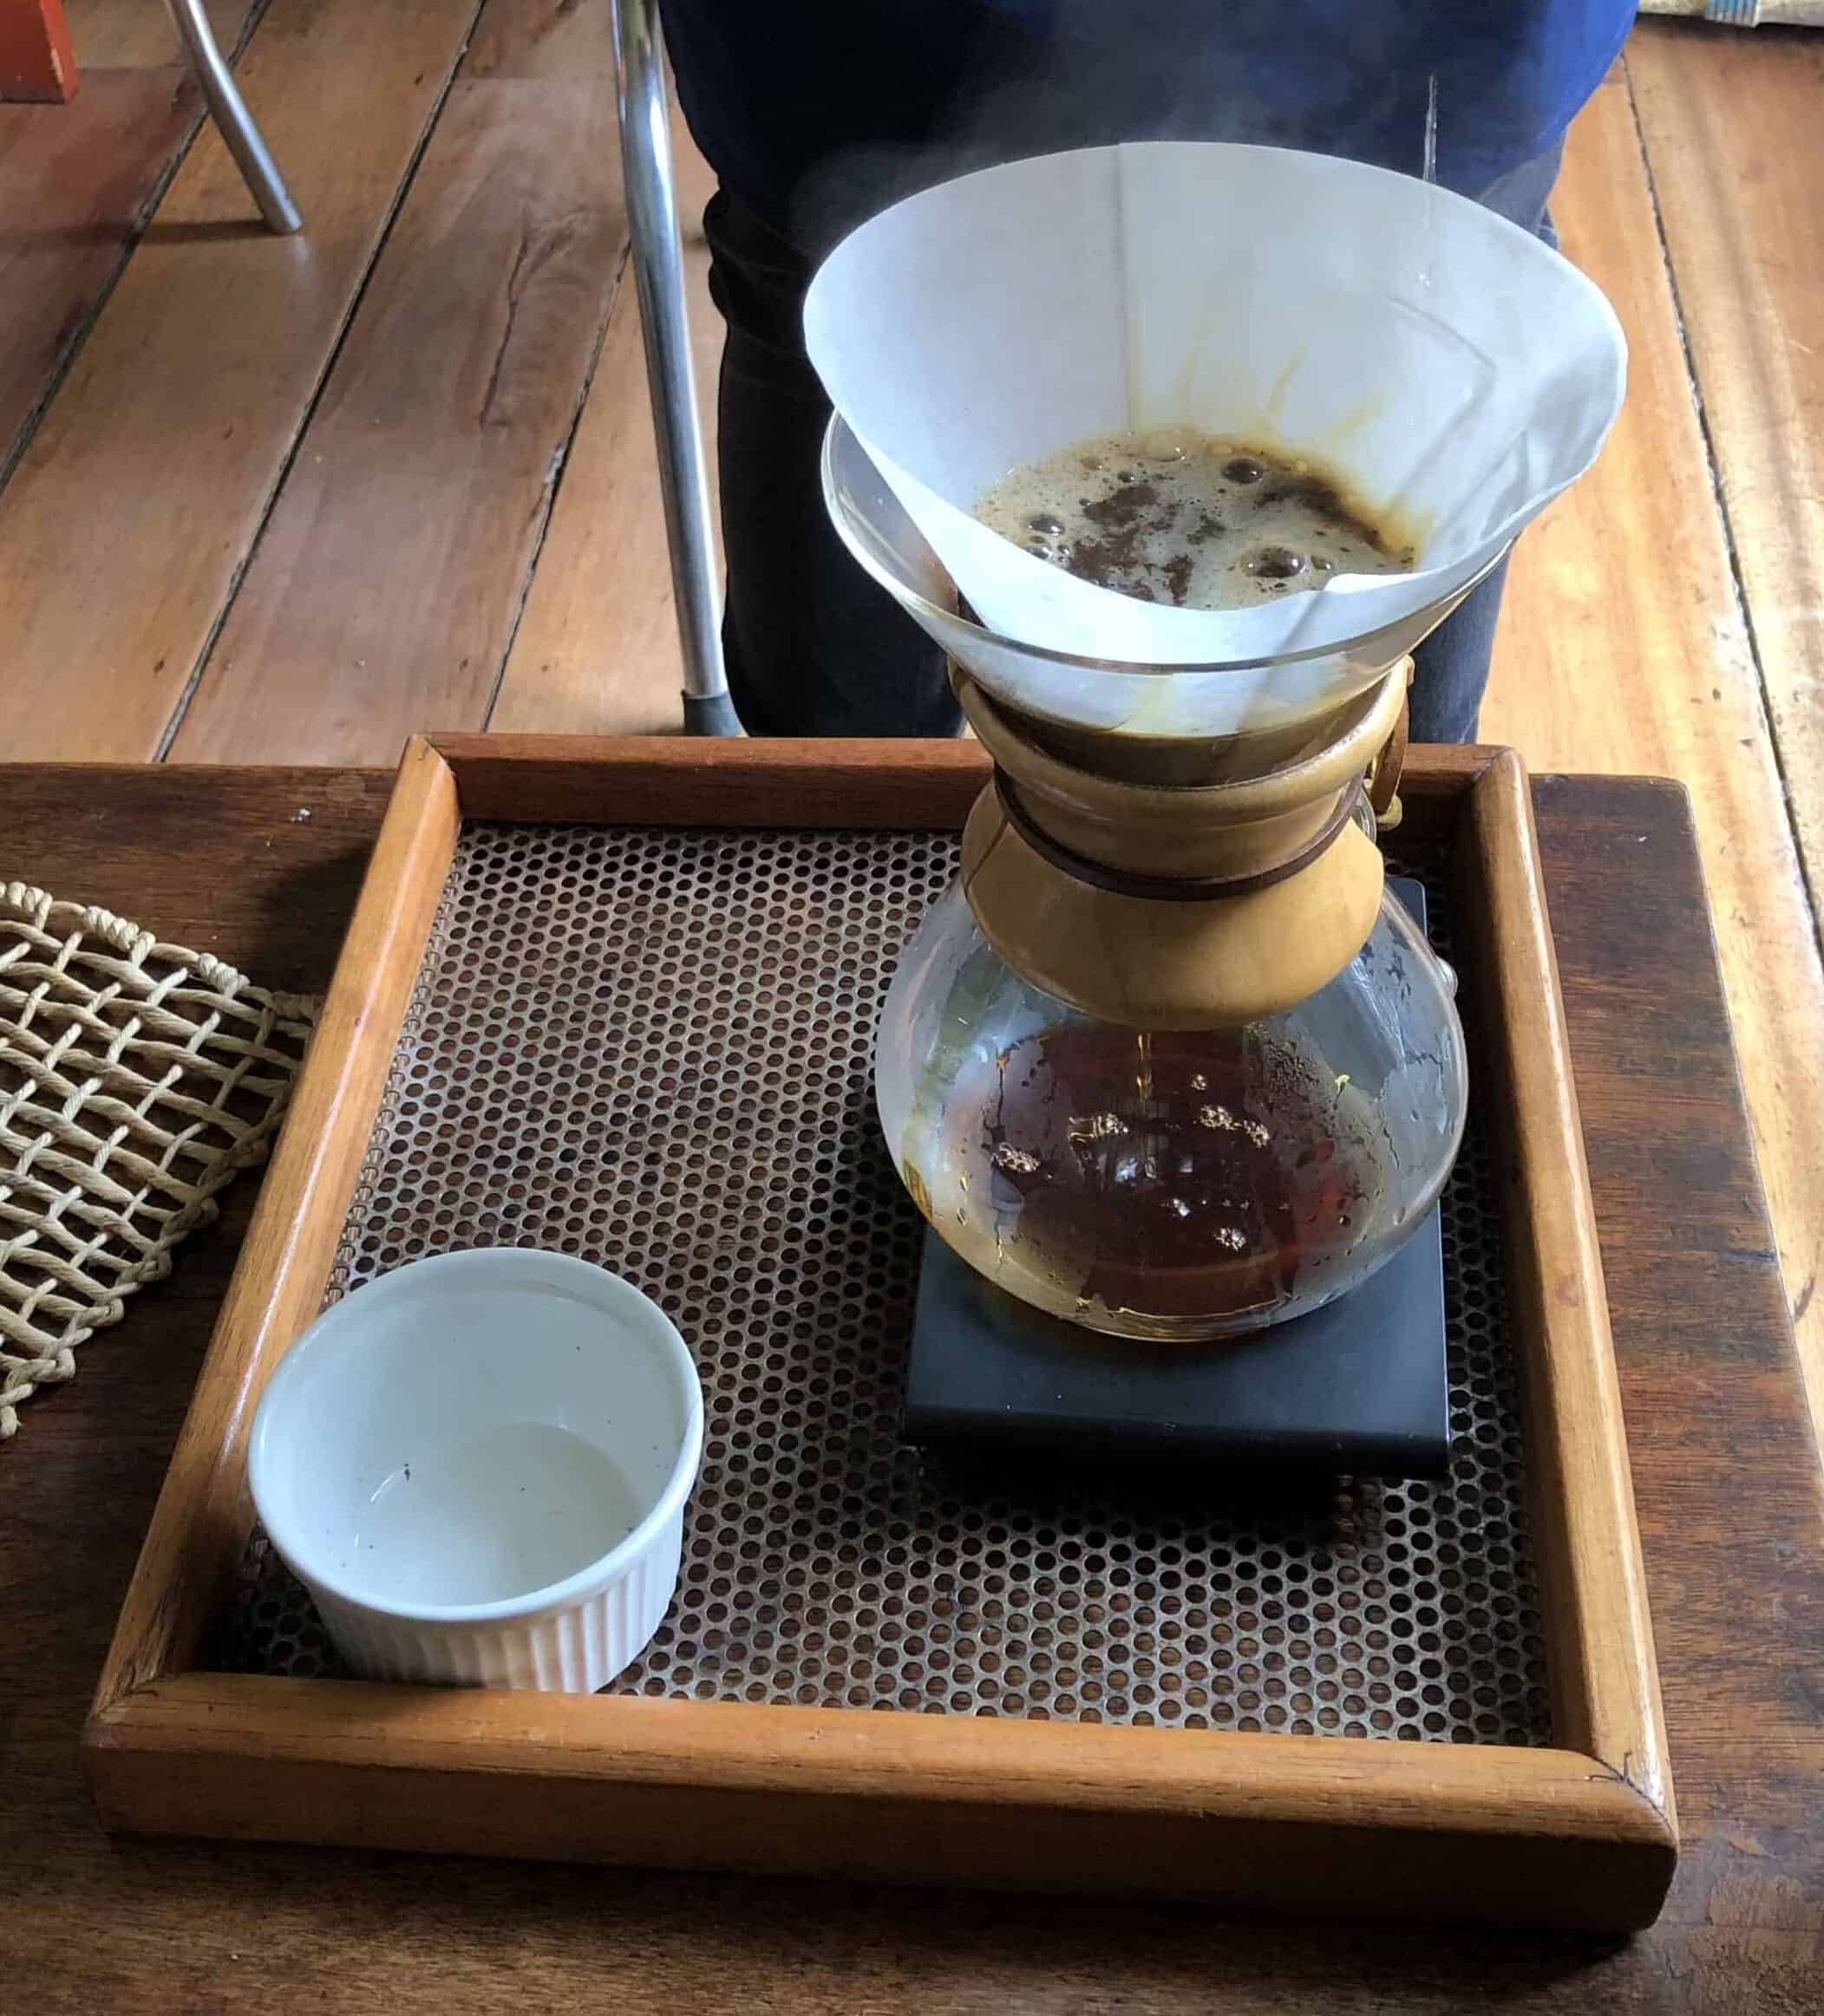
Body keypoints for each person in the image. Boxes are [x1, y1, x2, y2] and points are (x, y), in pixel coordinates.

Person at [659, 2, 1636, 741]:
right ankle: (846, 889)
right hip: (880, 61)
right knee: (841, 795)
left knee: (1384, 764)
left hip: (1428, 81)